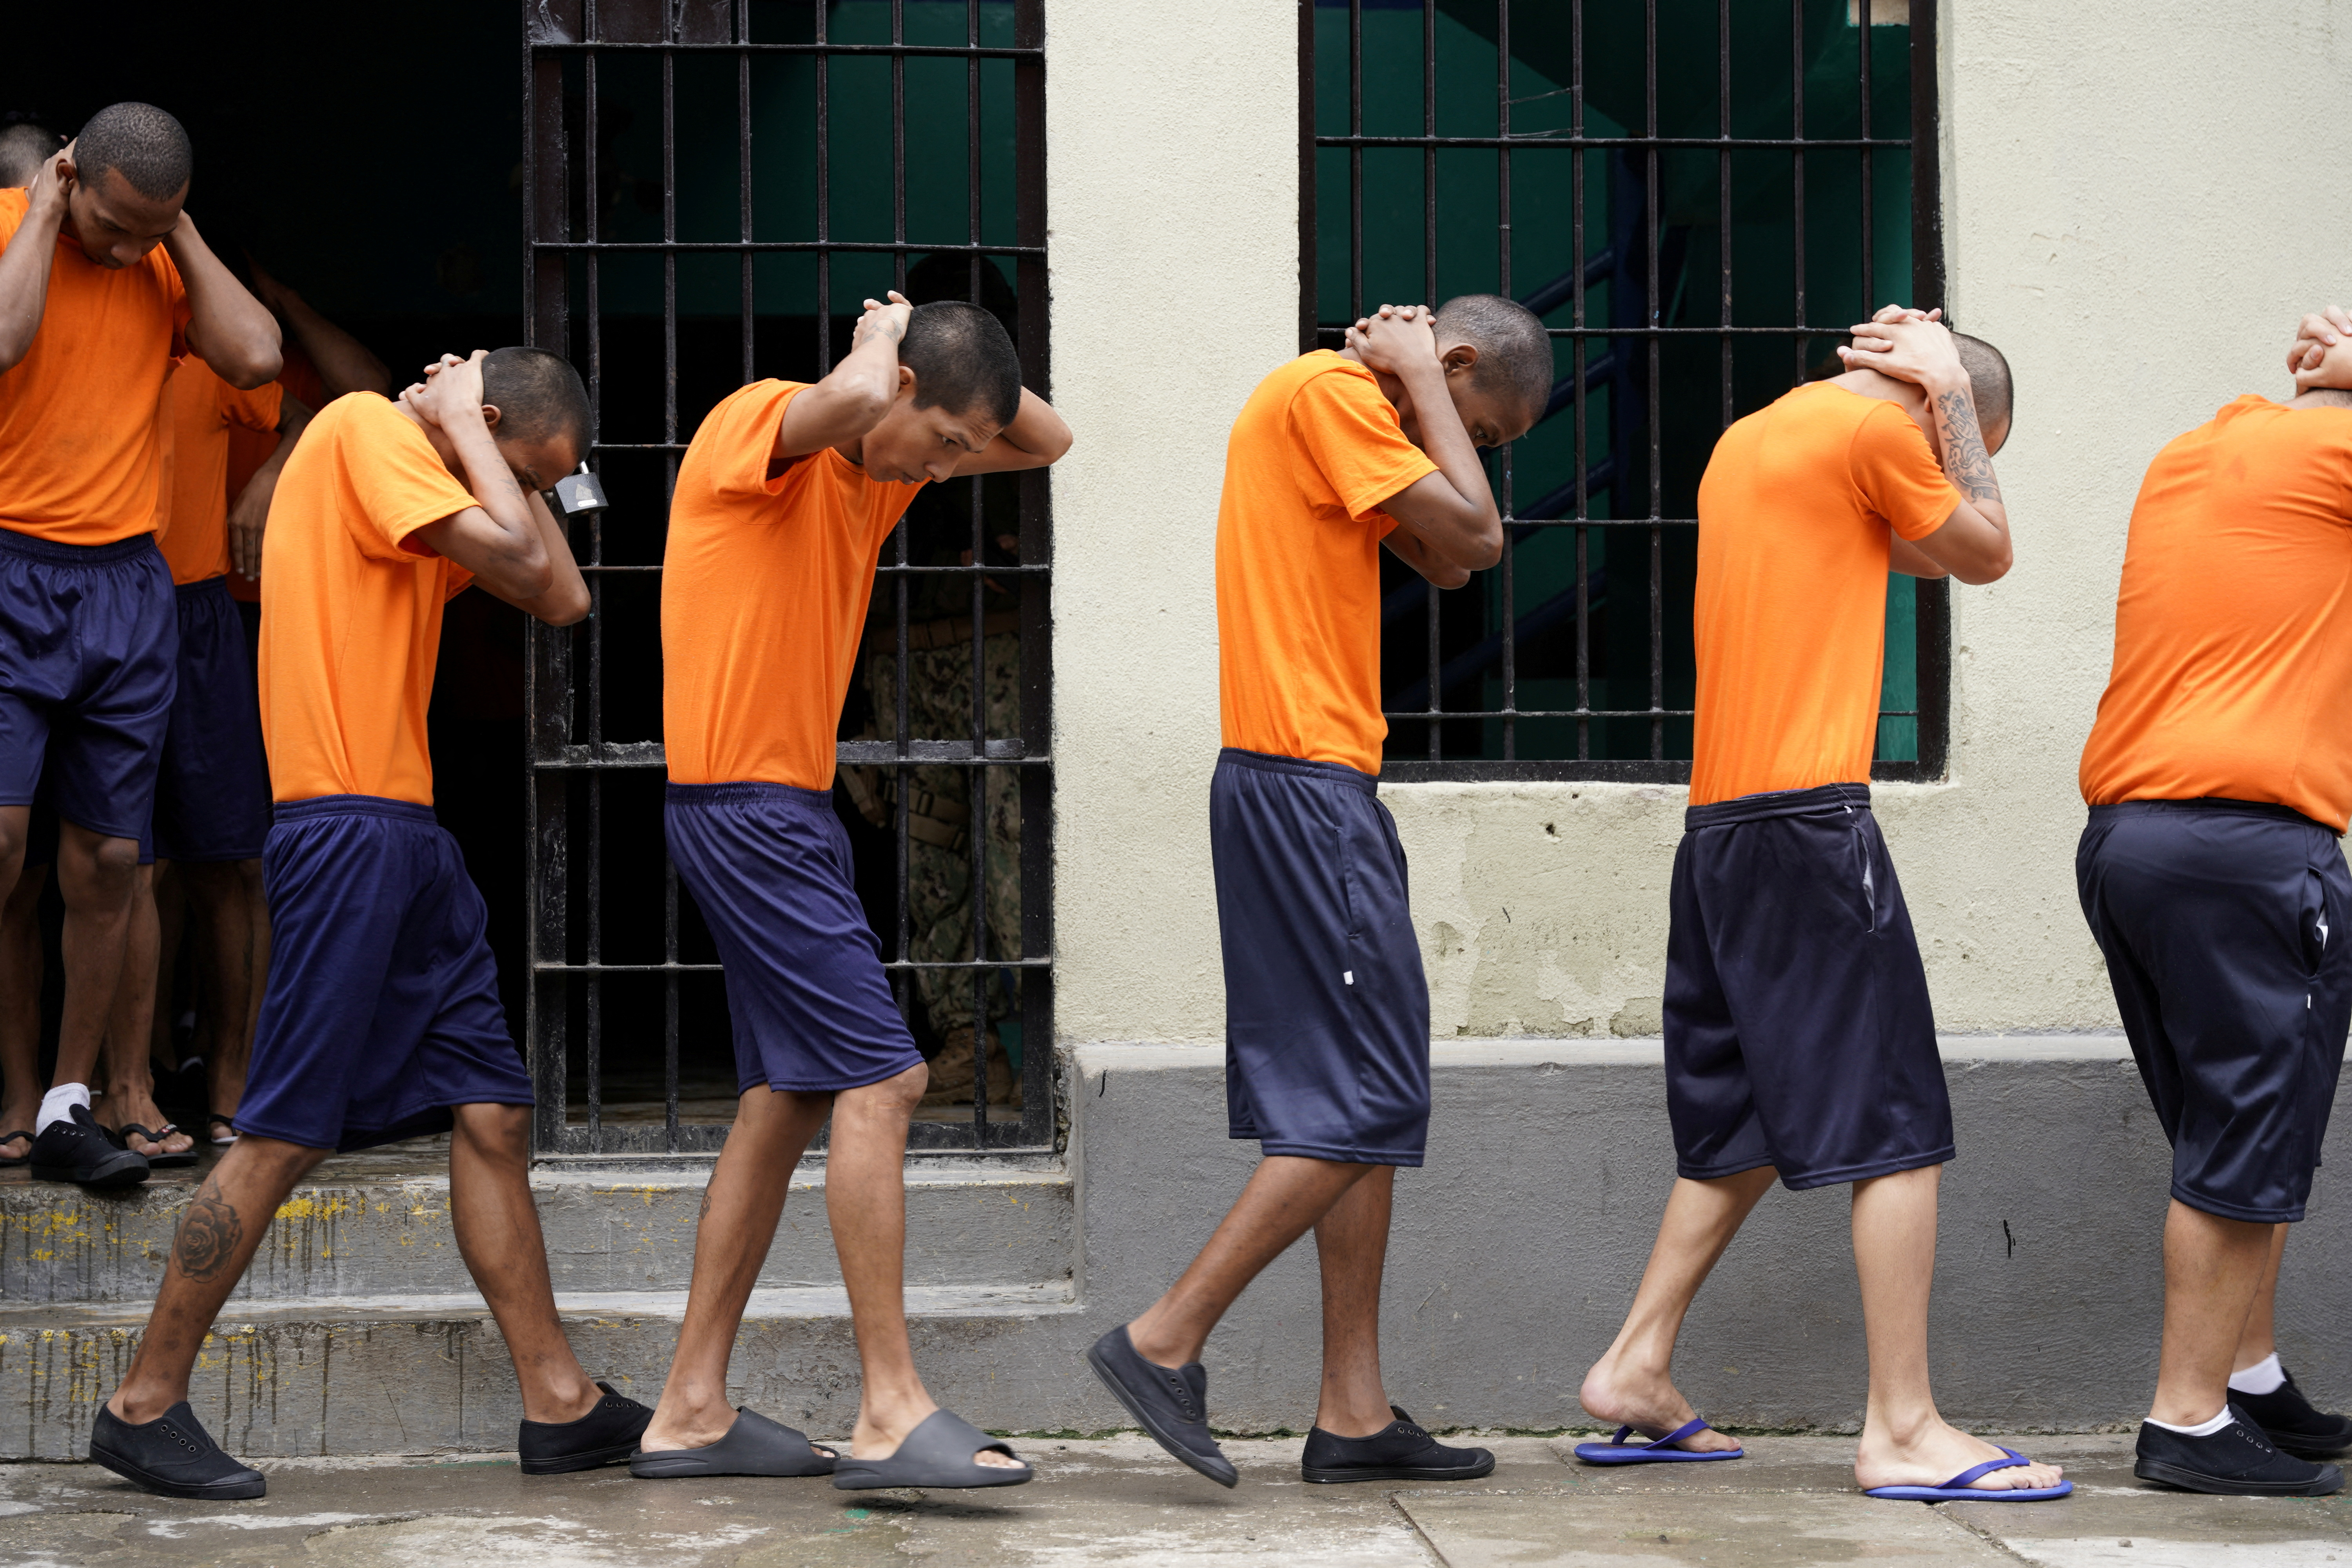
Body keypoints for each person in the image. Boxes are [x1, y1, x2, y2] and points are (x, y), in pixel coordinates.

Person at [88, 347, 644, 1501]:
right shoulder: (366, 431)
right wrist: (460, 424)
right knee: (287, 1131)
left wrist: (488, 448)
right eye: (524, 467)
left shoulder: (434, 484)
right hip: (345, 830)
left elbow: (563, 594)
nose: (529, 495)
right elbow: (520, 556)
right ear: (480, 421)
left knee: (491, 1113)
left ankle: (562, 1404)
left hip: (409, 838)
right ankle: (143, 1403)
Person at [1568, 307, 2067, 1502]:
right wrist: (1952, 396)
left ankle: (1636, 1365)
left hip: (1721, 833)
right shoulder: (1882, 439)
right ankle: (1902, 1427)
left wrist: (1935, 416)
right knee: (1897, 1123)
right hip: (1807, 822)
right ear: (1950, 426)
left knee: (1742, 1122)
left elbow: (1917, 549)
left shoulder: (1750, 439)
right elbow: (1987, 548)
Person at [1085, 295, 1548, 1489]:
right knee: (1373, 1093)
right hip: (1305, 786)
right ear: (1450, 364)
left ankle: (1353, 1411)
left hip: (1302, 783)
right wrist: (1430, 399)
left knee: (1355, 1104)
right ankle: (1165, 1337)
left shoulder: (1348, 422)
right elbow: (1486, 540)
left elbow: (1443, 562)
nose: (1479, 450)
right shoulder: (1336, 396)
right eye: (1486, 424)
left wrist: (1430, 413)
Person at [638, 290, 1069, 1488]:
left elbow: (1051, 439)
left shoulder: (878, 477)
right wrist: (884, 340)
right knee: (890, 1077)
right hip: (748, 809)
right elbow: (853, 402)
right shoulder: (761, 426)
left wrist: (956, 380)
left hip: (782, 809)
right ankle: (890, 1409)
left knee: (786, 1099)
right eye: (943, 444)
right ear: (899, 393)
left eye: (960, 458)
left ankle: (690, 1407)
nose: (954, 471)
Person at [2068, 308, 2352, 1498]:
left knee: (2233, 1134)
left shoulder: (2200, 452)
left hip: (2129, 842)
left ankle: (2249, 1381)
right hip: (2248, 845)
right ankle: (2186, 1423)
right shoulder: (2334, 464)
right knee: (2246, 1137)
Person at [0, 103, 281, 1187]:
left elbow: (257, 355)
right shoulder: (17, 223)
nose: (124, 251)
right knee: (7, 841)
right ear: (72, 176)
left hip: (128, 584)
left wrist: (177, 234)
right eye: (112, 225)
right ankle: (19, 1090)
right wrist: (44, 216)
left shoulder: (160, 257)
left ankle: (69, 1104)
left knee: (114, 858)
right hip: (16, 565)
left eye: (146, 232)